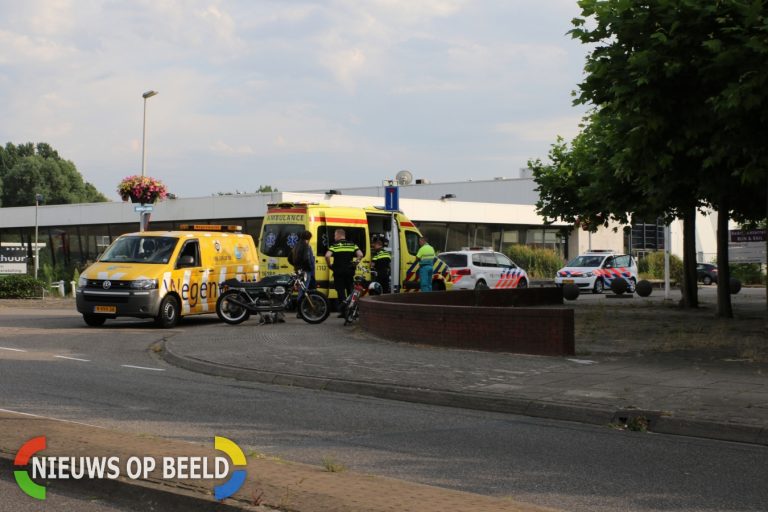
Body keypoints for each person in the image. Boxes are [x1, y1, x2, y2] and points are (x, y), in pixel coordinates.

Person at [325, 228, 363, 316]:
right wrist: (355, 264)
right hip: (349, 271)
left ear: (338, 235)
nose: (334, 237)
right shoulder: (352, 244)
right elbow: (360, 255)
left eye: (335, 235)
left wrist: (329, 265)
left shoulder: (335, 245)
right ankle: (352, 311)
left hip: (338, 271)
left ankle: (344, 312)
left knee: (340, 291)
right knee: (350, 291)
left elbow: (327, 256)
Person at [290, 230, 316, 317]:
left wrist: (296, 265)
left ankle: (301, 311)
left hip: (298, 270)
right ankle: (301, 312)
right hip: (306, 271)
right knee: (304, 291)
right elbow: (307, 259)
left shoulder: (296, 246)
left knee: (301, 290)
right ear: (309, 238)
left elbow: (289, 258)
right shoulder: (306, 246)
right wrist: (310, 268)